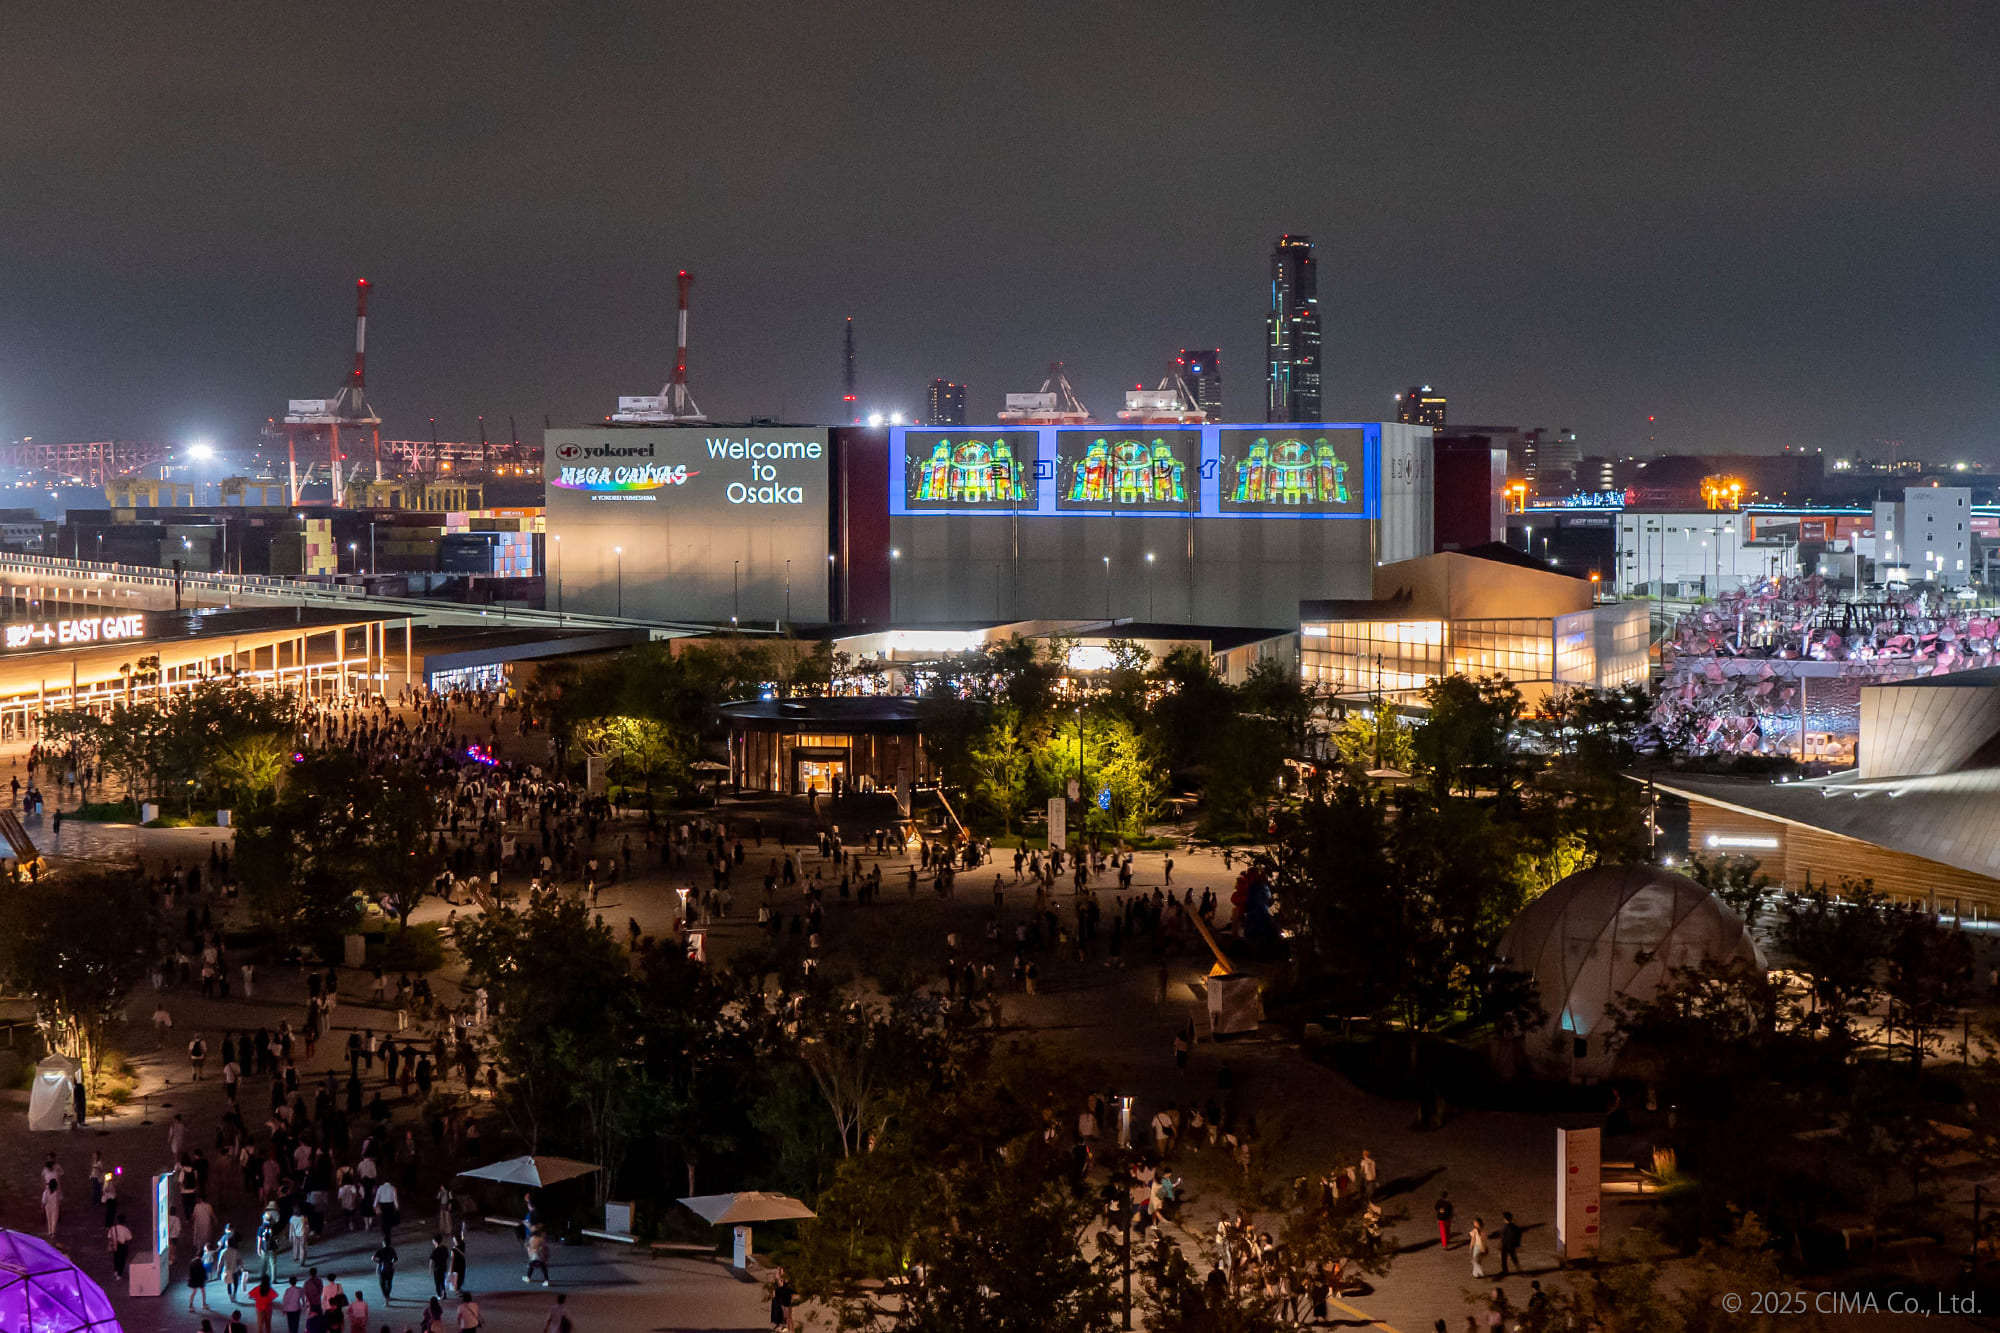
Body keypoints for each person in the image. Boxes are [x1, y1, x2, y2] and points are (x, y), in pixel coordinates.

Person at [107, 1213, 134, 1279]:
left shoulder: (113, 1228)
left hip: (115, 1245)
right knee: (122, 1260)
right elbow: (129, 1238)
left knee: (116, 1258)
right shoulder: (125, 1229)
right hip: (122, 1246)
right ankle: (119, 1274)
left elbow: (109, 1236)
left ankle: (115, 1271)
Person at [770, 1266, 796, 1332]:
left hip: (787, 1301)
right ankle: (789, 1330)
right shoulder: (779, 1281)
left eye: (781, 1271)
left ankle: (791, 1331)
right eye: (779, 1271)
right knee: (786, 1318)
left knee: (788, 1318)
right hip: (783, 1301)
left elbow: (784, 1287)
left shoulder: (785, 1281)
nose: (780, 1272)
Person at [189, 1245, 214, 1311]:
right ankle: (203, 1304)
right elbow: (202, 1272)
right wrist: (205, 1279)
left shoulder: (192, 1261)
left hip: (193, 1279)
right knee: (203, 1292)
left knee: (194, 1292)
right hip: (200, 1280)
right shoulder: (200, 1263)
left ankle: (191, 1305)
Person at [1499, 1211, 1523, 1276]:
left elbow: (1504, 1237)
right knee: (1513, 1258)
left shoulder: (1507, 1227)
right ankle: (1518, 1270)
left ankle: (1505, 1271)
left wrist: (1501, 1244)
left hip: (1506, 1246)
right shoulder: (1514, 1227)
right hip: (1511, 1246)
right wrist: (1517, 1245)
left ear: (1505, 1219)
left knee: (1504, 1259)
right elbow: (1519, 1235)